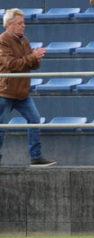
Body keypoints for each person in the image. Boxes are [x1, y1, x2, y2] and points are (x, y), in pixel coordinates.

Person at [0, 9, 56, 167]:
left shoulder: (24, 40)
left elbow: (31, 64)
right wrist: (32, 57)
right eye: (19, 23)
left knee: (34, 120)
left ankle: (36, 157)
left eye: (23, 23)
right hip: (5, 91)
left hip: (22, 92)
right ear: (10, 25)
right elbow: (11, 64)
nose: (23, 26)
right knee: (1, 127)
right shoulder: (2, 40)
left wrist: (36, 58)